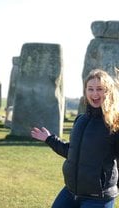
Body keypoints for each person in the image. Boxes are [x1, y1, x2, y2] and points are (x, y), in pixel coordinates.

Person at [31, 69, 119, 208]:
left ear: (108, 91)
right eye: (90, 89)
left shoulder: (114, 123)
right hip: (71, 191)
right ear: (85, 91)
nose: (95, 93)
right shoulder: (80, 120)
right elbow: (72, 152)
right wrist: (49, 139)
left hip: (98, 198)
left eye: (100, 89)